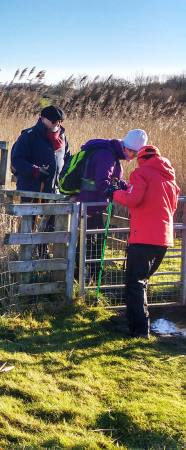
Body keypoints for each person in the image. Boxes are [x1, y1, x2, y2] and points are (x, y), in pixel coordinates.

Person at [105, 145, 180, 338]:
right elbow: (172, 207)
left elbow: (134, 199)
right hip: (163, 238)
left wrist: (114, 193)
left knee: (135, 282)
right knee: (142, 281)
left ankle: (138, 329)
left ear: (142, 159)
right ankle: (133, 320)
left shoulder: (141, 173)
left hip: (144, 236)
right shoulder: (170, 179)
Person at [74, 129, 146, 280]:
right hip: (89, 204)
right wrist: (115, 193)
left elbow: (111, 179)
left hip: (93, 203)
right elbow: (102, 181)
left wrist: (127, 187)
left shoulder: (112, 153)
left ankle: (89, 275)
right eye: (134, 153)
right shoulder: (107, 154)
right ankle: (82, 275)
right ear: (128, 148)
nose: (134, 157)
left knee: (93, 240)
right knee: (91, 241)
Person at [11, 105, 70, 197]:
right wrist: (35, 171)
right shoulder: (29, 135)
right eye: (54, 121)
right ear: (43, 119)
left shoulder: (62, 138)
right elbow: (17, 160)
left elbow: (67, 161)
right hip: (31, 192)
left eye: (60, 121)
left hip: (55, 194)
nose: (57, 124)